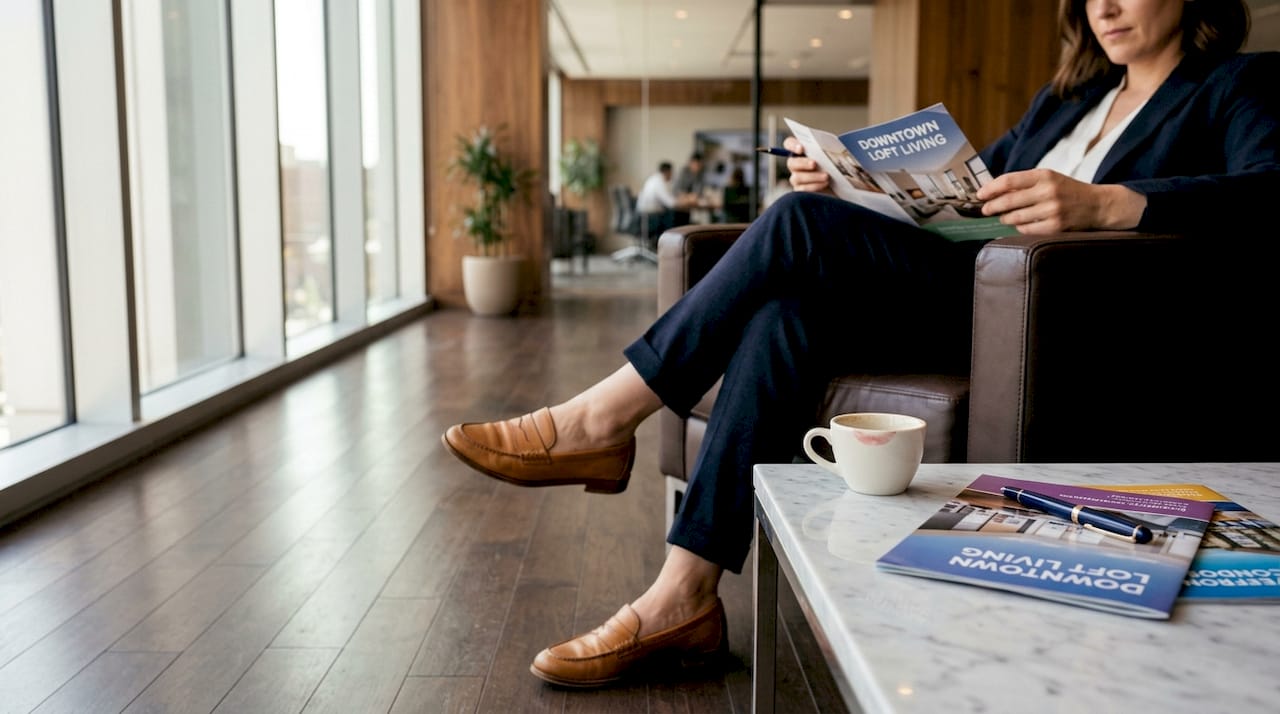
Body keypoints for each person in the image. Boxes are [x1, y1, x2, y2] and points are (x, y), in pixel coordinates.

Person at [443, 0, 1277, 688]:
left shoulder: (1236, 85)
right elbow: (964, 201)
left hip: (1058, 321)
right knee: (785, 312)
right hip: (964, 287)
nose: (1106, 3)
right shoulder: (1066, 102)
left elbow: (1270, 192)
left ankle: (602, 419)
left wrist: (1110, 204)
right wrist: (852, 188)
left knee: (795, 227)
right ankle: (683, 596)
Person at [635, 160, 694, 236]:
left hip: (648, 215)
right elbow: (671, 203)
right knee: (681, 215)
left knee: (680, 214)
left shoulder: (654, 179)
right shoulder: (659, 182)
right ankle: (678, 242)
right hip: (651, 217)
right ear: (667, 172)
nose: (672, 175)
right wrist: (688, 201)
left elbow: (669, 198)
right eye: (671, 173)